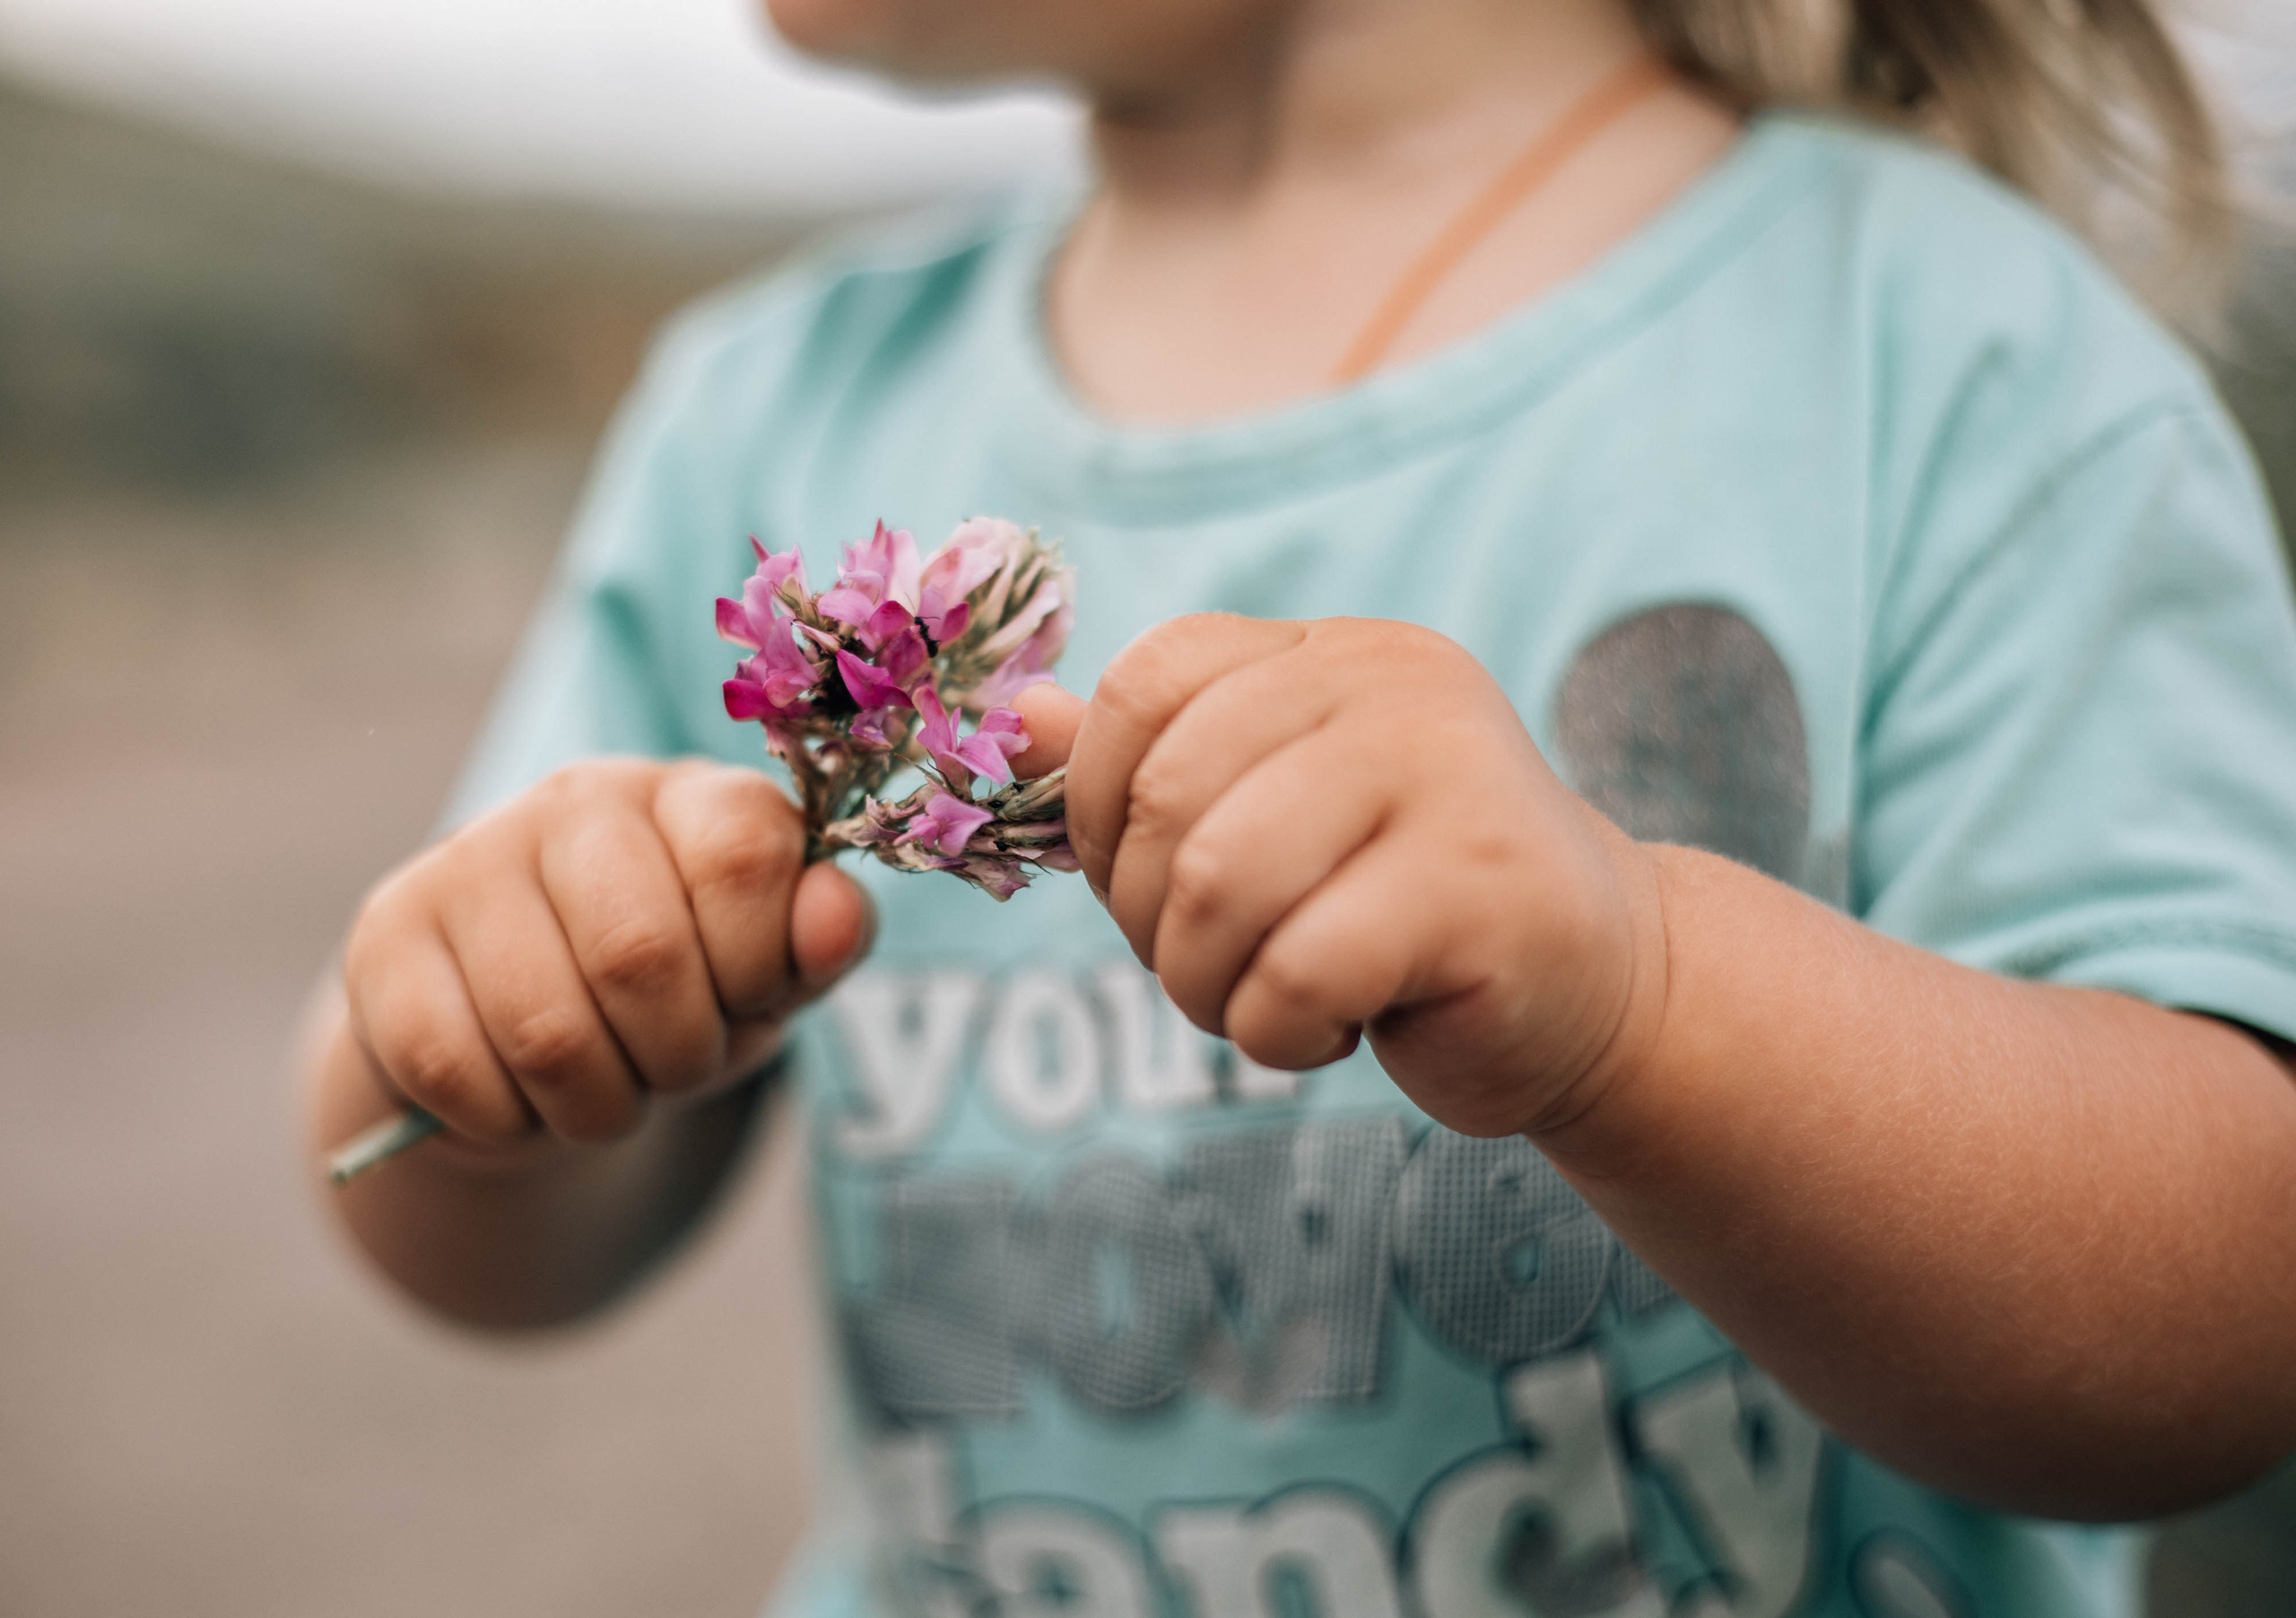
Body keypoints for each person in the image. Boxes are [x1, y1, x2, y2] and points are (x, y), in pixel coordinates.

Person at [302, 0, 2296, 1614]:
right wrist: (490, 1027)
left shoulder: (1945, 349)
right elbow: (463, 1236)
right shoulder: (769, 399)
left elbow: (2229, 1310)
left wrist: (1642, 993)